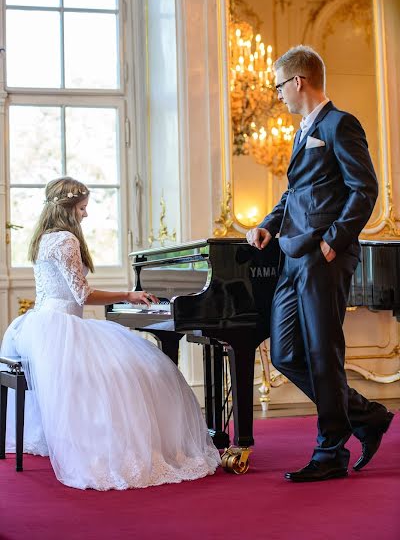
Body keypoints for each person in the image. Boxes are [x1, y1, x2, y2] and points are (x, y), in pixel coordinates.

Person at [1, 176, 220, 490]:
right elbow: (82, 296)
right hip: (61, 327)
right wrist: (127, 295)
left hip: (37, 325)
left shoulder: (43, 237)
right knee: (140, 371)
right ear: (68, 210)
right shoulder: (66, 240)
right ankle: (115, 444)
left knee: (127, 370)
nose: (85, 214)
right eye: (82, 208)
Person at [246, 45, 394, 482]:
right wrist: (268, 225)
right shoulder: (301, 131)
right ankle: (366, 417)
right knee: (287, 352)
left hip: (323, 255)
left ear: (298, 82)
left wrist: (333, 242)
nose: (277, 96)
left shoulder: (339, 124)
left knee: (321, 353)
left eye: (278, 87)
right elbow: (296, 193)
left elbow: (364, 189)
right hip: (292, 254)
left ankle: (330, 452)